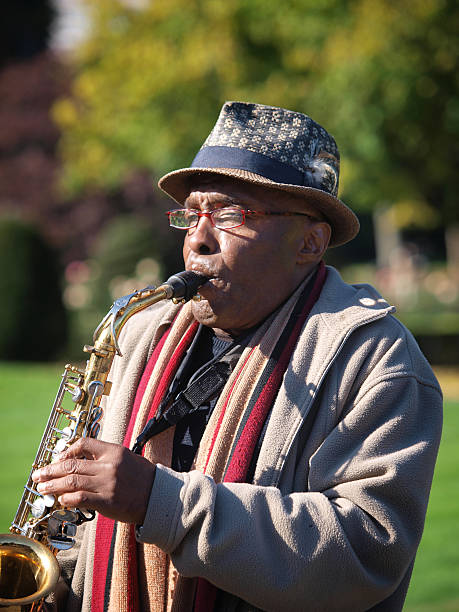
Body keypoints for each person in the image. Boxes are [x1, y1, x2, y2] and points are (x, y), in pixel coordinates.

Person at [33, 102, 442, 612]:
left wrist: (159, 500)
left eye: (230, 214)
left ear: (310, 242)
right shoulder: (140, 334)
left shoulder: (378, 359)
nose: (197, 239)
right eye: (192, 213)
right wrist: (48, 585)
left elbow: (365, 552)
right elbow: (94, 534)